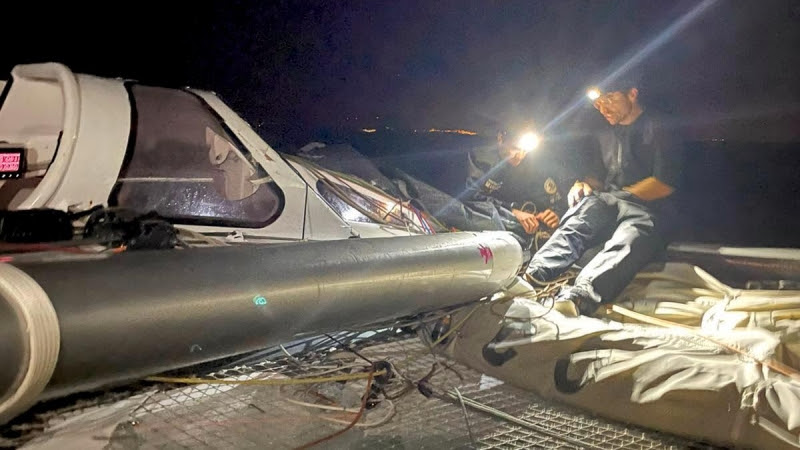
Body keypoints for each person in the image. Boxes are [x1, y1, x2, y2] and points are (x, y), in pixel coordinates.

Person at [524, 74, 683, 316]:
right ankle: (532, 276)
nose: (602, 107)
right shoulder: (604, 131)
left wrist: (620, 195)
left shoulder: (659, 126)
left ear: (632, 93)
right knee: (578, 219)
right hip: (608, 200)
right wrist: (581, 185)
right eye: (598, 102)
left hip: (647, 208)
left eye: (609, 98)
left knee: (628, 240)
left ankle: (579, 296)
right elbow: (598, 177)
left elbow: (663, 183)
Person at [465, 128, 575, 247]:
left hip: (529, 221)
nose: (520, 155)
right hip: (498, 216)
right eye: (516, 148)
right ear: (501, 138)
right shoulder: (482, 158)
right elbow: (472, 197)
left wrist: (555, 214)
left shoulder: (535, 161)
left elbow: (554, 194)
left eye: (525, 150)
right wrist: (512, 211)